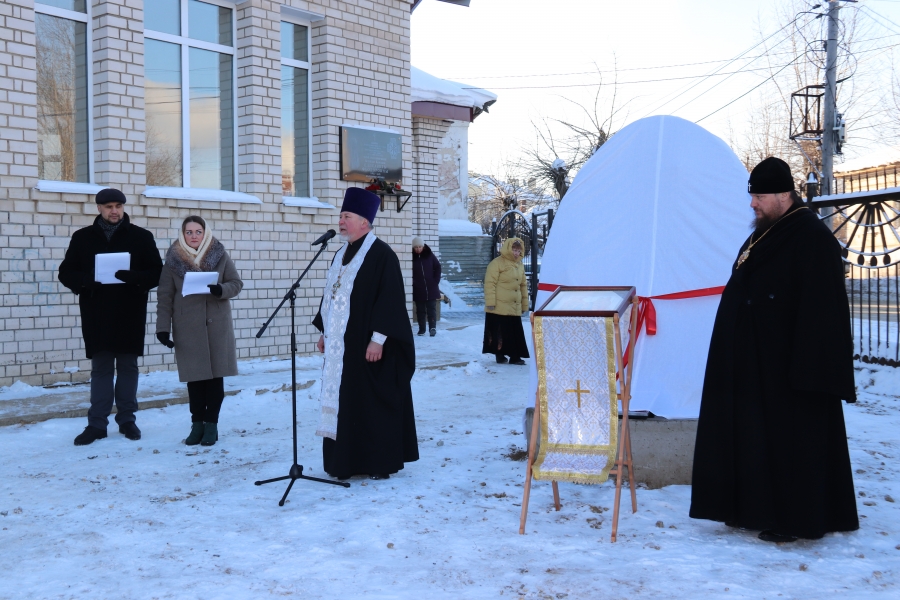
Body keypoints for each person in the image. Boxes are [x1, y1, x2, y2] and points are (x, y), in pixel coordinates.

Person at [690, 156, 859, 543]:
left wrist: (808, 369)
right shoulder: (767, 231)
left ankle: (797, 521)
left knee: (793, 448)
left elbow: (823, 311)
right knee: (759, 444)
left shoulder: (811, 237)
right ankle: (756, 509)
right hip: (757, 366)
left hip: (791, 370)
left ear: (784, 194)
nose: (753, 204)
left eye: (760, 197)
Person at [312, 187, 419, 480]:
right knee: (346, 402)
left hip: (368, 345)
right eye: (341, 215)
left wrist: (378, 338)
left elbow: (391, 300)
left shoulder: (382, 254)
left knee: (371, 403)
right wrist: (325, 330)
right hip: (341, 347)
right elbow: (331, 296)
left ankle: (376, 464)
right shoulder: (340, 253)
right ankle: (344, 462)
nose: (341, 221)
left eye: (347, 216)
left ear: (364, 222)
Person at [58, 188, 163, 445]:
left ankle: (127, 420)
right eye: (108, 206)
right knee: (101, 368)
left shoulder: (141, 236)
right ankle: (96, 424)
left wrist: (136, 277)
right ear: (99, 209)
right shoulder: (82, 238)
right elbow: (65, 272)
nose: (114, 211)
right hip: (97, 313)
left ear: (124, 207)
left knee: (128, 367)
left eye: (118, 206)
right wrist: (85, 280)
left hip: (130, 312)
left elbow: (158, 272)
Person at [155, 216, 243, 447]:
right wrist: (163, 328)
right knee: (195, 380)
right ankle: (197, 425)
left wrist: (220, 289)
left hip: (216, 326)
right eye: (189, 232)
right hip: (188, 327)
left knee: (215, 379)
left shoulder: (219, 255)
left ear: (205, 233)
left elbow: (236, 283)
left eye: (198, 231)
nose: (194, 236)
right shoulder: (173, 260)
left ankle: (211, 425)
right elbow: (164, 296)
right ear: (182, 235)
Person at [482, 237, 530, 365]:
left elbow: (523, 286)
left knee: (514, 332)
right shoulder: (497, 263)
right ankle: (500, 355)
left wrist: (525, 305)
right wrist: (490, 302)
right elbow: (489, 283)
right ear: (508, 249)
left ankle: (515, 356)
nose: (516, 253)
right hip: (499, 306)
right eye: (514, 249)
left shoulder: (520, 266)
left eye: (518, 250)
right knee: (500, 332)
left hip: (513, 306)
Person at [411, 236, 442, 337]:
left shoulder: (429, 255)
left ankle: (432, 328)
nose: (418, 249)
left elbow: (437, 267)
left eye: (420, 247)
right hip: (418, 289)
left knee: (431, 309)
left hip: (431, 288)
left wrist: (435, 281)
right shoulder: (411, 258)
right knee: (420, 310)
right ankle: (422, 329)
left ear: (423, 247)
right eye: (416, 247)